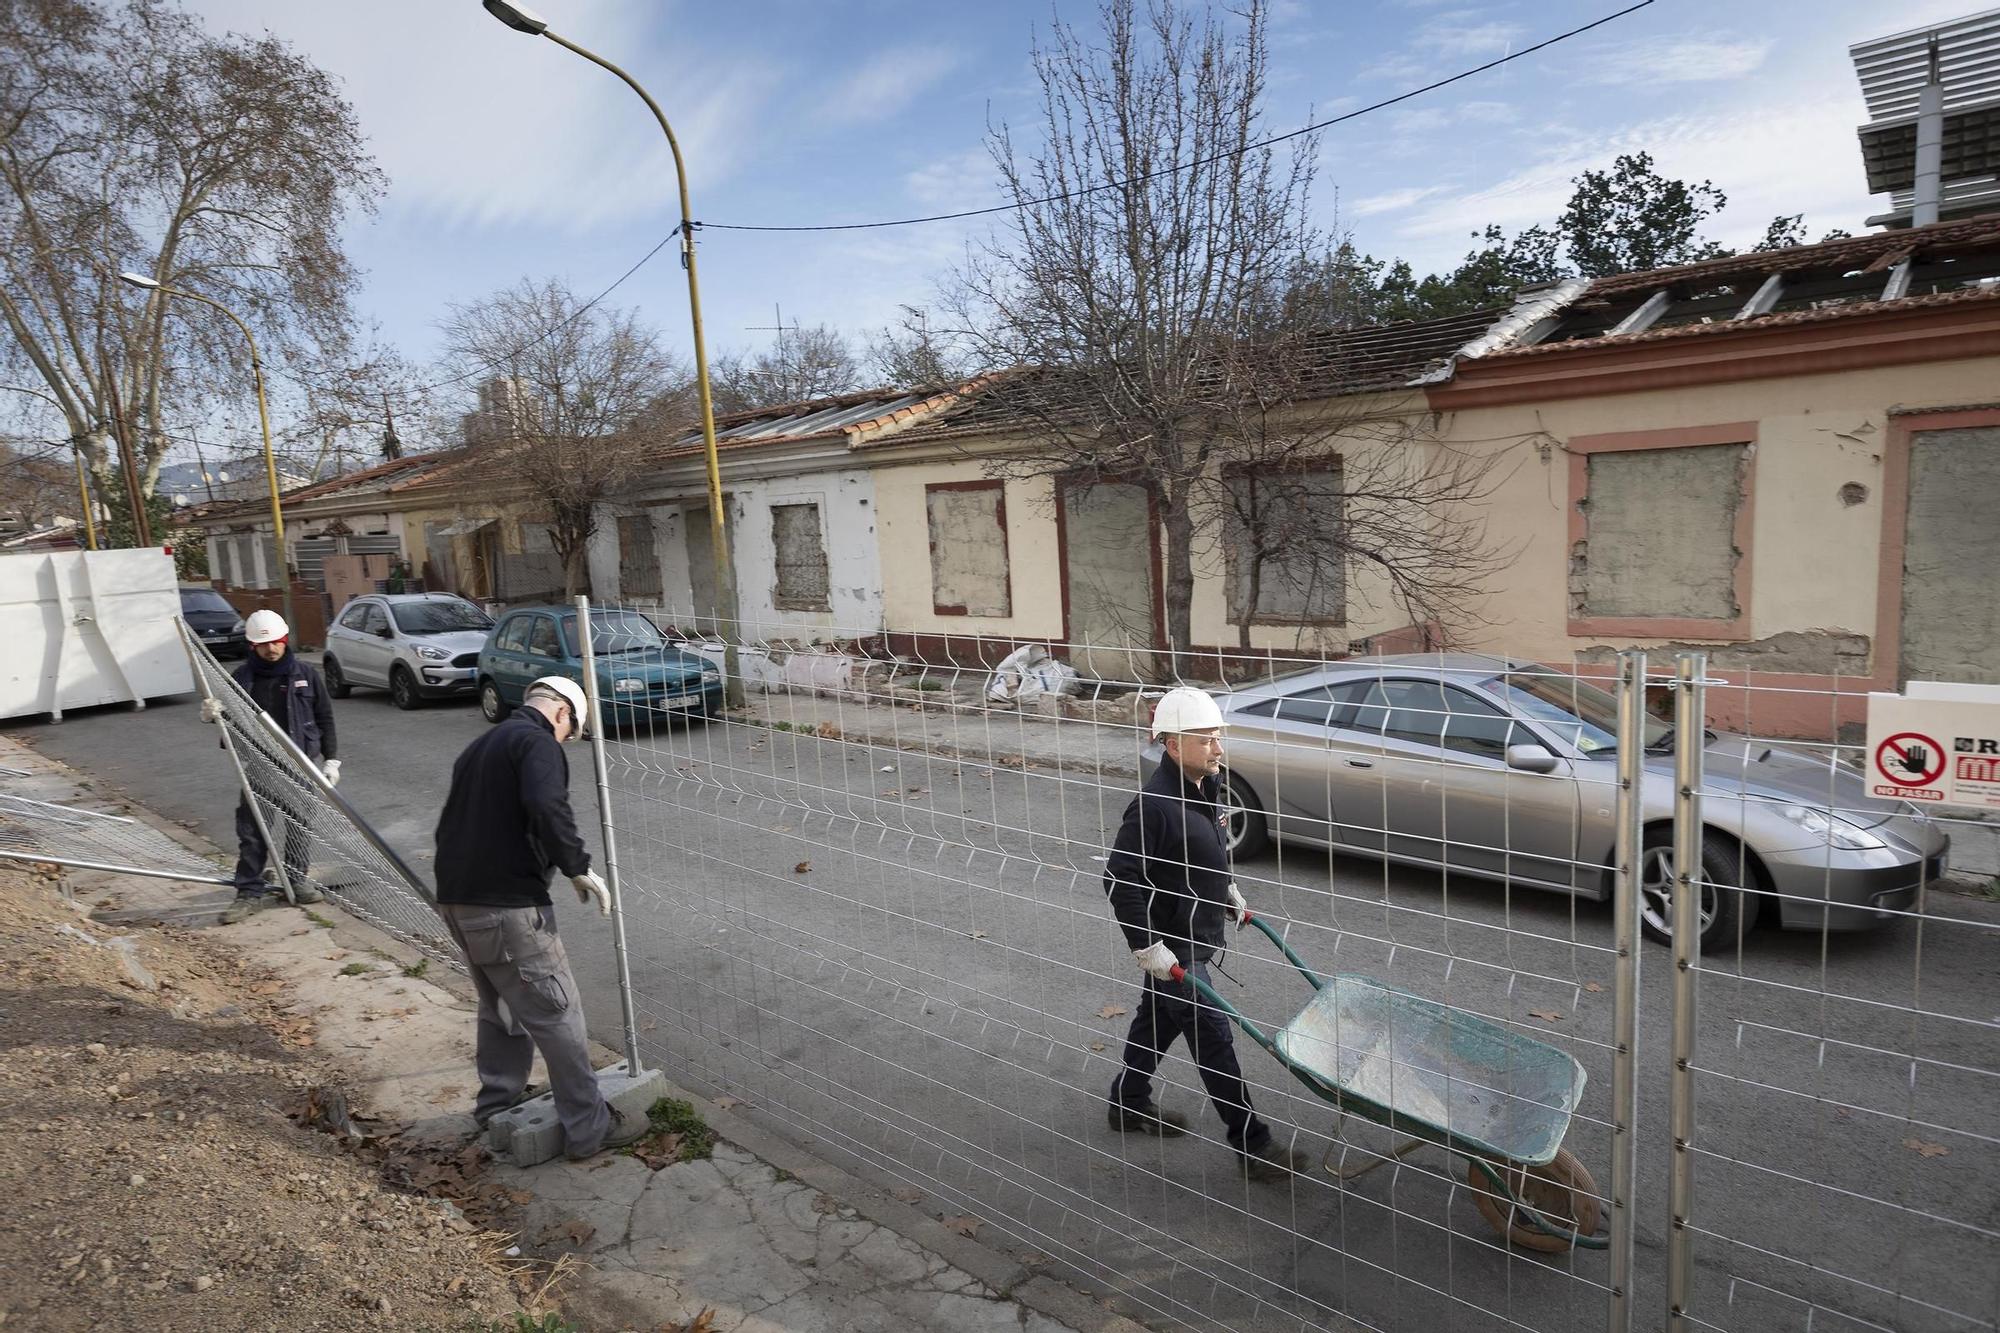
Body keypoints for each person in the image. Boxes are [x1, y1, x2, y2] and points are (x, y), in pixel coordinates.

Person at [432, 675, 647, 1160]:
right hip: (508, 906)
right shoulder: (537, 742)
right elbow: (546, 802)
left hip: (458, 900)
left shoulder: (485, 743)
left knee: (502, 1007)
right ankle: (588, 1130)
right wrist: (576, 865)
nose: (565, 742)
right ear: (562, 714)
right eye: (569, 733)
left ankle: (497, 1105)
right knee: (557, 1012)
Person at [1102, 686, 1306, 1181]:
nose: (1218, 749)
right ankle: (1252, 1144)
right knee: (1214, 1038)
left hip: (1196, 936)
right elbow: (1119, 878)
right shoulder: (1153, 806)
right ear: (1173, 745)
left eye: (1218, 738)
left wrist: (1227, 891)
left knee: (1156, 1023)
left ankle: (1128, 1103)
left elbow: (1201, 854)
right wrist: (1146, 946)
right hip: (1174, 949)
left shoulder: (1207, 787)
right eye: (1206, 740)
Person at [205, 609, 337, 924]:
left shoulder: (305, 673)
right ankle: (249, 891)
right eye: (263, 645)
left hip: (298, 765)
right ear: (252, 646)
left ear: (285, 640)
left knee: (299, 828)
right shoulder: (241, 679)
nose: (271, 649)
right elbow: (229, 722)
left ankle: (296, 880)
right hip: (258, 767)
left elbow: (325, 717)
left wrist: (331, 759)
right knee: (253, 832)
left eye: (276, 642)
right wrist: (213, 716)